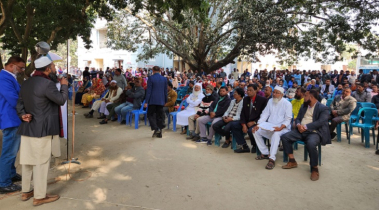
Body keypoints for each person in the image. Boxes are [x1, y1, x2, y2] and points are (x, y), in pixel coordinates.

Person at [17, 56, 68, 206]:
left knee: (27, 161)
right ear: (47, 69)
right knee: (41, 163)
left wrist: (22, 115)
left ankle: (26, 191)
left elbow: (19, 103)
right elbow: (61, 100)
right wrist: (64, 85)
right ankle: (39, 196)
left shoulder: (26, 83)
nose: (54, 69)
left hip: (28, 127)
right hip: (42, 129)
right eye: (52, 66)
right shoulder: (48, 84)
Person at [281, 89, 331, 181]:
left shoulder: (323, 108)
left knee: (311, 144)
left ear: (311, 97)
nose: (304, 97)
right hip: (301, 130)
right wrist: (299, 125)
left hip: (314, 132)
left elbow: (321, 122)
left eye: (306, 96)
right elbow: (299, 118)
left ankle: (314, 168)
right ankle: (292, 161)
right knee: (285, 137)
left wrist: (306, 127)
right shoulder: (304, 106)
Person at [0, 56, 25, 194]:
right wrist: (26, 111)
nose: (21, 70)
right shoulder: (3, 78)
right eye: (20, 67)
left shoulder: (9, 76)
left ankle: (10, 174)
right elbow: (14, 98)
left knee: (13, 150)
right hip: (10, 118)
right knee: (8, 152)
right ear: (12, 65)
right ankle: (3, 182)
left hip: (13, 118)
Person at [252, 86, 292, 170]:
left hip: (283, 128)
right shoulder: (270, 101)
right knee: (255, 131)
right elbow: (265, 114)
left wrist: (281, 127)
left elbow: (288, 119)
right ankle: (266, 153)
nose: (274, 94)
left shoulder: (287, 104)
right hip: (270, 125)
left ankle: (272, 159)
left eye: (276, 93)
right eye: (274, 92)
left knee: (276, 134)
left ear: (281, 94)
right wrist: (258, 124)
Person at [232, 84, 268, 153]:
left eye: (250, 90)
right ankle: (244, 145)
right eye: (247, 90)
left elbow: (264, 115)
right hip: (247, 122)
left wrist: (254, 122)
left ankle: (254, 145)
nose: (248, 92)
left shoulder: (263, 100)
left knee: (251, 131)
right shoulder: (245, 99)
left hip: (257, 122)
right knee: (234, 125)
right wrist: (243, 124)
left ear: (255, 91)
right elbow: (242, 113)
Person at [145, 66, 168, 138]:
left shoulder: (151, 78)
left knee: (150, 114)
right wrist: (165, 100)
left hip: (152, 99)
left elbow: (149, 91)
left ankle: (156, 128)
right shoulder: (164, 79)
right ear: (160, 70)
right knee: (159, 116)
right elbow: (165, 91)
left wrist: (146, 101)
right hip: (161, 100)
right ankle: (159, 132)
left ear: (153, 70)